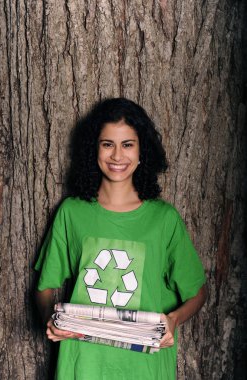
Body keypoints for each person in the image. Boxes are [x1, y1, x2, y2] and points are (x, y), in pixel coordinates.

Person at [35, 98, 207, 380]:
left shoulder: (163, 219)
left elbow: (197, 293)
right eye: (107, 144)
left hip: (144, 367)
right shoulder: (72, 212)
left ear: (142, 151)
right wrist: (49, 319)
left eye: (127, 144)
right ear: (94, 149)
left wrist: (174, 320)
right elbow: (44, 288)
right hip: (82, 364)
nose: (117, 156)